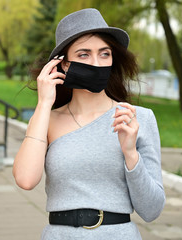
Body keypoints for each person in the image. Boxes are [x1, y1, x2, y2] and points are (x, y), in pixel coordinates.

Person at [13, 8, 165, 239]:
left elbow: (152, 210)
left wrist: (131, 154)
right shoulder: (46, 120)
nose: (96, 63)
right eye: (84, 54)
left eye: (105, 54)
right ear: (63, 64)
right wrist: (44, 103)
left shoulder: (137, 118)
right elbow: (25, 179)